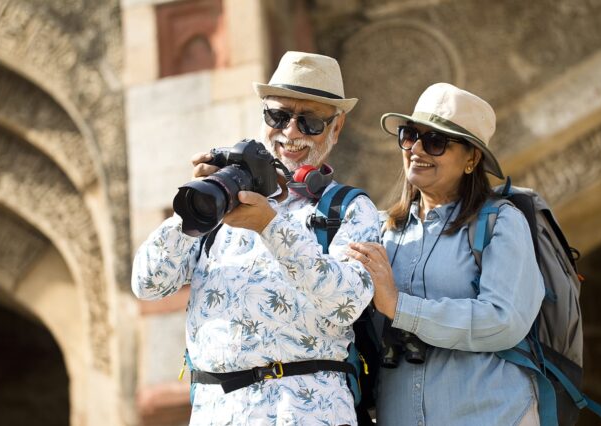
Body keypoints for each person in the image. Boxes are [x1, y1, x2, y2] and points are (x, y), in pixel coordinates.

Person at [132, 51, 380, 425]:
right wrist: (195, 208)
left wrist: (270, 226)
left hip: (304, 413)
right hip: (218, 413)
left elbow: (347, 303)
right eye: (278, 116)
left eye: (310, 121)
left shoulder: (348, 208)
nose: (291, 132)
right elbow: (148, 284)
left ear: (336, 127)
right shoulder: (222, 204)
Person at [348, 82, 546, 426]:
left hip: (493, 416)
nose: (417, 149)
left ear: (472, 158)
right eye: (410, 135)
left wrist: (400, 307)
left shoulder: (501, 222)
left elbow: (504, 320)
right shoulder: (380, 229)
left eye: (436, 141)